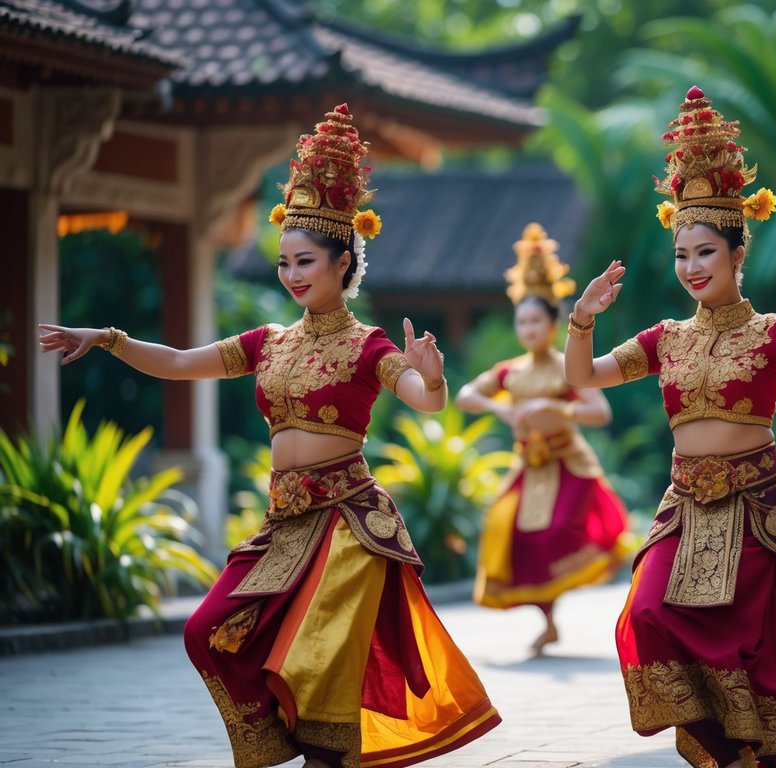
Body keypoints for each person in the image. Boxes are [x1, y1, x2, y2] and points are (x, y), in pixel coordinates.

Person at [40, 104, 499, 768]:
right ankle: (276, 740)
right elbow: (176, 362)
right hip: (283, 523)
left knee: (314, 668)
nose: (291, 275)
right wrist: (108, 338)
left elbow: (426, 404)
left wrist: (433, 378)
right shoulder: (268, 342)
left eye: (305, 261)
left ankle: (320, 754)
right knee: (206, 632)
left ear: (343, 261)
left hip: (347, 525)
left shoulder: (367, 345)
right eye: (284, 262)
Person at [564, 86, 776, 768]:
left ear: (737, 252)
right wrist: (581, 319)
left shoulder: (775, 333)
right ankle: (719, 747)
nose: (691, 268)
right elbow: (584, 377)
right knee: (648, 614)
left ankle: (748, 753)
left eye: (704, 252)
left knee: (755, 650)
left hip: (755, 508)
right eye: (681, 256)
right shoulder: (664, 338)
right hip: (684, 505)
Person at [456, 222, 635, 656]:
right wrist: (501, 407)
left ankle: (628, 583)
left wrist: (556, 410)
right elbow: (464, 396)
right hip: (528, 466)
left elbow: (600, 412)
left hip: (566, 462)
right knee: (506, 528)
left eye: (536, 320)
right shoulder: (509, 371)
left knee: (559, 531)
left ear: (554, 324)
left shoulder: (566, 367)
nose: (529, 328)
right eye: (522, 321)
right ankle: (548, 621)